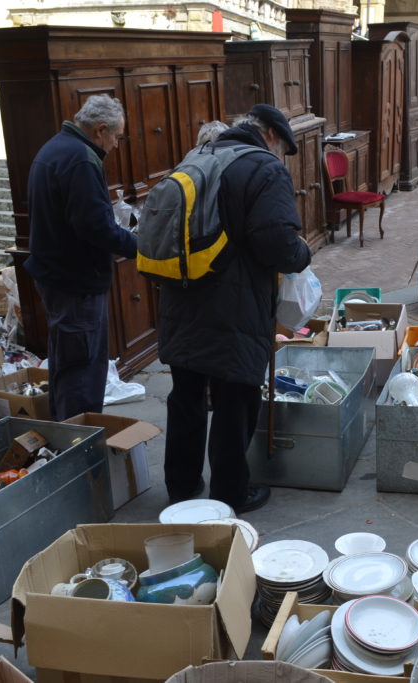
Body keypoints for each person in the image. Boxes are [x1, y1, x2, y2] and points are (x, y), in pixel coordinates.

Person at [158, 104, 311, 513]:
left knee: (186, 397)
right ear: (272, 137)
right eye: (283, 150)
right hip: (233, 306)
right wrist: (302, 253)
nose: (281, 159)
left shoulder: (198, 157)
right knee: (234, 400)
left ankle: (182, 487)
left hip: (180, 301)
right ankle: (230, 494)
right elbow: (276, 243)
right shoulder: (262, 168)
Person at [26, 94, 137, 421]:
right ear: (100, 130)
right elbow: (95, 228)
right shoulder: (81, 159)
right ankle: (80, 446)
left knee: (66, 365)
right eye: (116, 137)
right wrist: (140, 246)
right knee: (83, 372)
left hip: (57, 276)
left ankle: (65, 436)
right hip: (76, 282)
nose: (116, 145)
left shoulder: (55, 147)